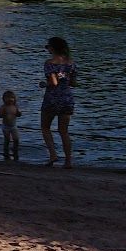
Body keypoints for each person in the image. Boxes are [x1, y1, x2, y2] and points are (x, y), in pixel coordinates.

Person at [40, 37, 76, 167]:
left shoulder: (49, 63)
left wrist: (44, 84)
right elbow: (73, 83)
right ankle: (68, 161)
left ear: (53, 48)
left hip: (52, 99)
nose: (47, 49)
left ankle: (53, 155)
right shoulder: (71, 63)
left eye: (48, 47)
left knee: (45, 127)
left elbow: (54, 82)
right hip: (67, 99)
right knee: (64, 131)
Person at [0, 90, 21, 161]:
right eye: (8, 98)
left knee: (16, 139)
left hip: (13, 126)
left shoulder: (15, 106)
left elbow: (18, 114)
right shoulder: (3, 107)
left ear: (14, 99)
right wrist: (2, 113)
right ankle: (6, 150)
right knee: (7, 139)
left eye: (12, 98)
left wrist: (19, 113)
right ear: (4, 99)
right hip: (5, 126)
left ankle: (15, 149)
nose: (10, 99)